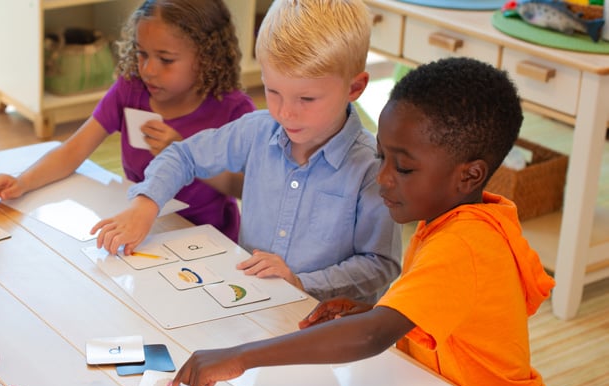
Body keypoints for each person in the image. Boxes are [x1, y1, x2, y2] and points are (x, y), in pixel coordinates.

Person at [170, 57, 561, 386]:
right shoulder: (459, 219)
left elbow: (369, 339)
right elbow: (444, 312)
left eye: (403, 169)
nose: (383, 179)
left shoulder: (464, 244)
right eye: (381, 157)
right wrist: (373, 311)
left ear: (470, 175)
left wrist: (240, 357)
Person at [91, 0, 400, 304]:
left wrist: (301, 282)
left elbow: (380, 264)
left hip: (330, 326)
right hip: (252, 303)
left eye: (306, 99)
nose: (286, 113)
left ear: (354, 88)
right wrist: (146, 204)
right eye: (273, 91)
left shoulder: (372, 168)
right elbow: (182, 155)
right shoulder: (257, 130)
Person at [0, 0, 254, 242]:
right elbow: (72, 151)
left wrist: (188, 156)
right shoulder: (130, 90)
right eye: (142, 54)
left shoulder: (233, 111)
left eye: (166, 60)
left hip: (205, 237)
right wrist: (21, 182)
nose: (148, 70)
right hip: (139, 225)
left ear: (207, 58)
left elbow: (245, 188)